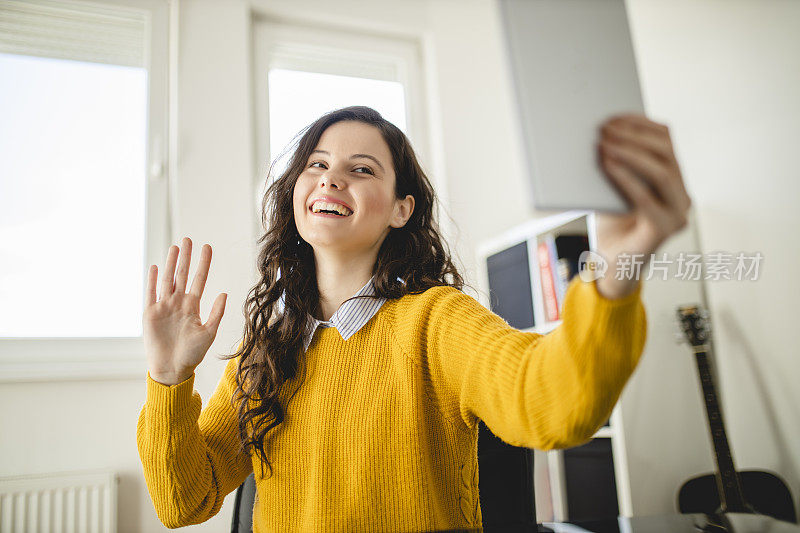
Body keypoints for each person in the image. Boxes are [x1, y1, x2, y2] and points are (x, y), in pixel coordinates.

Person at [137, 106, 692, 531]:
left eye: (362, 169)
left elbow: (555, 402)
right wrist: (167, 378)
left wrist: (615, 275)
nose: (332, 179)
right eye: (318, 165)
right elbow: (184, 500)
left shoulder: (437, 321)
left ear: (402, 209)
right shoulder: (264, 355)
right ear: (295, 194)